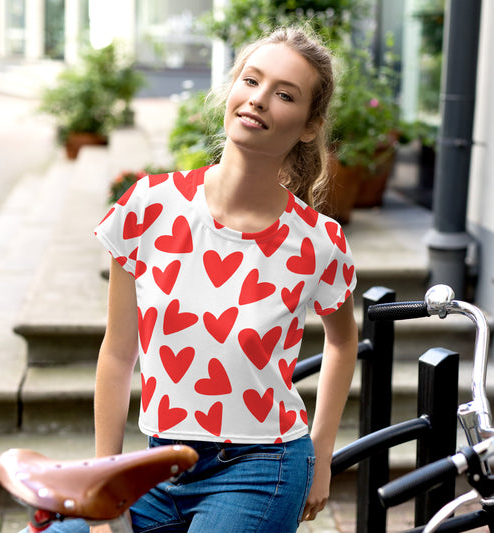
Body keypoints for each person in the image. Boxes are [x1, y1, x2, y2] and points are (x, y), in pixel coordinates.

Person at [43, 25, 358, 533]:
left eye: (284, 94)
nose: (259, 99)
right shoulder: (146, 207)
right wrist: (105, 489)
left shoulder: (318, 241)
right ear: (231, 89)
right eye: (251, 81)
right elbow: (118, 353)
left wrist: (320, 456)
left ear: (308, 126)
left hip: (263, 468)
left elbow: (344, 343)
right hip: (155, 467)